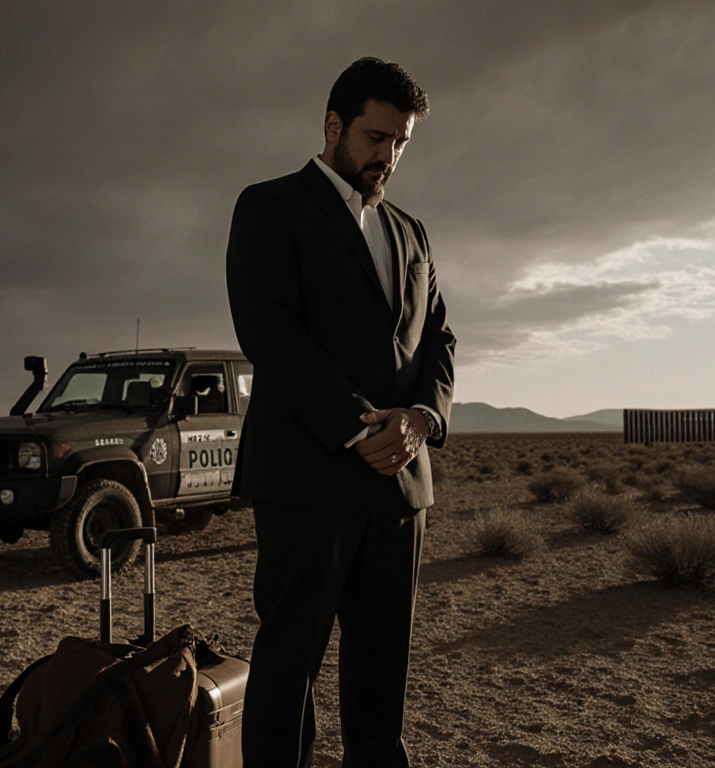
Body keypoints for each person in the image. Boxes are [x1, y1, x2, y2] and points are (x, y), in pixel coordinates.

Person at [225, 57, 456, 768]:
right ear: (333, 125)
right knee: (288, 666)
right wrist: (363, 427)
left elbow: (439, 338)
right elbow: (271, 332)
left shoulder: (412, 232)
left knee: (383, 668)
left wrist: (420, 420)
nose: (388, 156)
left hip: (401, 483)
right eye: (376, 137)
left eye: (401, 143)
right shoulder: (269, 207)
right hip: (307, 477)